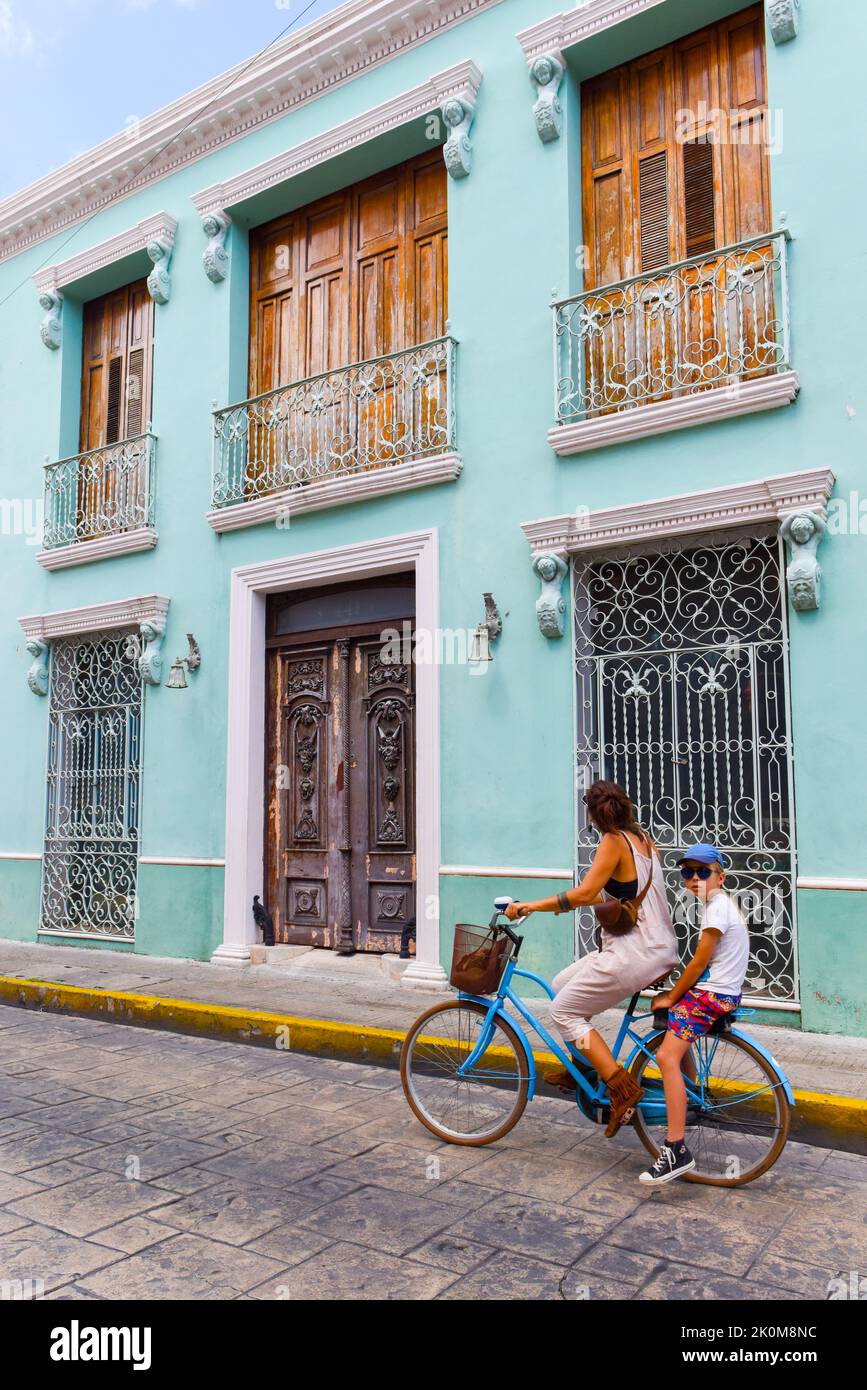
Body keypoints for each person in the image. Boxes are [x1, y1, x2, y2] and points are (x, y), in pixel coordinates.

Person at [504, 781, 678, 1137]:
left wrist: (530, 906)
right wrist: (564, 902)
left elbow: (585, 893)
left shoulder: (612, 842)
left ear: (593, 817)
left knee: (563, 1012)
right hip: (656, 947)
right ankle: (586, 1067)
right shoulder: (643, 839)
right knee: (560, 985)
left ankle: (622, 1088)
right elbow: (609, 889)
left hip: (633, 954)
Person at [638, 842, 749, 1185]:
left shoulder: (717, 908)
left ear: (721, 877)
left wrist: (673, 994)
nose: (695, 878)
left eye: (704, 872)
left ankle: (675, 1149)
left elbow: (700, 961)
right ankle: (689, 1091)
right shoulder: (722, 906)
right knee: (673, 1028)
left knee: (666, 1057)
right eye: (688, 872)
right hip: (721, 992)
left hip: (713, 996)